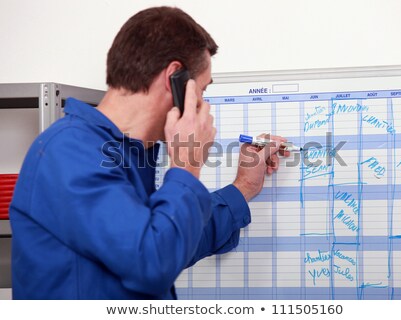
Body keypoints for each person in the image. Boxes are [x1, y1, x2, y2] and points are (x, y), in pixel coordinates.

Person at [10, 6, 286, 299]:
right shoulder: (69, 152)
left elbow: (171, 236)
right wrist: (187, 161)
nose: (203, 104)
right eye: (202, 91)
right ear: (174, 80)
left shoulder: (130, 152)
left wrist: (244, 187)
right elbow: (154, 261)